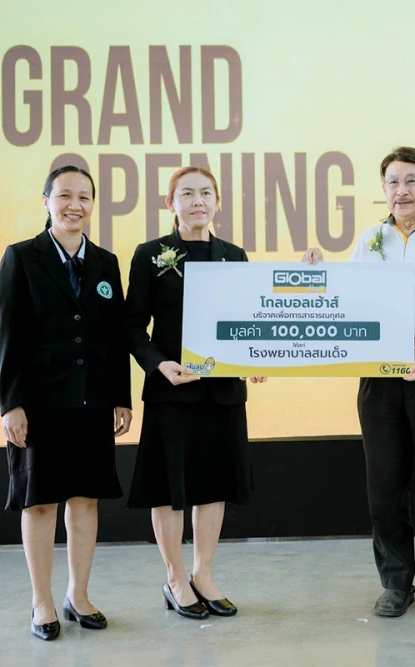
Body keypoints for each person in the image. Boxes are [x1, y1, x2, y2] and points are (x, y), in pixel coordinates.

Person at [303, 147, 415, 619]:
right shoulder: (371, 239)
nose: (401, 191)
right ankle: (396, 583)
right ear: (383, 189)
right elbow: (347, 300)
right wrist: (317, 277)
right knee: (384, 483)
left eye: (411, 180)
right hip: (381, 367)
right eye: (392, 182)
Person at [0, 165, 132, 640]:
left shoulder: (106, 262)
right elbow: (8, 335)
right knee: (39, 503)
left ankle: (79, 595)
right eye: (65, 196)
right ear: (46, 201)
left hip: (93, 403)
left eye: (85, 197)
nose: (75, 205)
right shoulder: (21, 256)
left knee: (85, 500)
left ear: (93, 204)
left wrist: (120, 398)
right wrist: (11, 404)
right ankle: (42, 601)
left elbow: (114, 337)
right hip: (38, 405)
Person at [125, 166, 265, 620]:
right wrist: (157, 364)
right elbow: (132, 326)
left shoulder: (234, 256)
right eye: (186, 193)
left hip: (223, 392)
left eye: (206, 193)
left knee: (214, 485)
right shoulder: (150, 254)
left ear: (217, 203)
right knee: (168, 488)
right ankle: (175, 578)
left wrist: (255, 358)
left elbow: (246, 318)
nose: (197, 201)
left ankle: (203, 574)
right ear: (171, 204)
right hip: (171, 391)